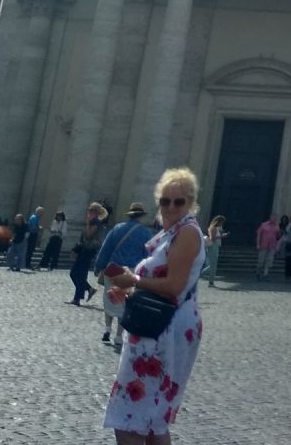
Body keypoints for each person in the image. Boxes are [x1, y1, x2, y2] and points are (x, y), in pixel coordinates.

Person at [102, 167, 206, 444]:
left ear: (191, 203)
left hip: (165, 330)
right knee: (151, 420)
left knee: (130, 419)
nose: (171, 207)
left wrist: (134, 279)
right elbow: (163, 284)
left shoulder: (187, 233)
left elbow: (173, 286)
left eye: (179, 201)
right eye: (165, 201)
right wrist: (129, 290)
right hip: (157, 324)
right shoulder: (171, 232)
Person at [94, 202, 154, 347]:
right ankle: (119, 336)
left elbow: (106, 249)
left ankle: (107, 329)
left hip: (113, 269)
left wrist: (98, 266)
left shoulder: (117, 228)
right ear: (141, 216)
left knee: (110, 298)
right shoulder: (146, 233)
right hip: (130, 272)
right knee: (125, 303)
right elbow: (148, 256)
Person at [69, 203, 107, 305]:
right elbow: (82, 239)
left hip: (89, 250)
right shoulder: (92, 222)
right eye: (88, 210)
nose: (88, 212)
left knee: (81, 274)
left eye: (90, 211)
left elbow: (89, 235)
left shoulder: (96, 222)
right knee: (73, 273)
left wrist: (87, 223)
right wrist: (75, 250)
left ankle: (77, 298)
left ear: (95, 213)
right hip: (83, 250)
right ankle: (89, 289)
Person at [255, 213, 281, 279]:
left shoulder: (277, 226)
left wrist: (277, 246)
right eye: (273, 217)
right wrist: (258, 244)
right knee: (261, 260)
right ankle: (258, 272)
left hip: (272, 246)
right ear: (270, 217)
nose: (274, 218)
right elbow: (259, 235)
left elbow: (278, 237)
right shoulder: (264, 225)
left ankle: (265, 274)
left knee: (269, 260)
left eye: (275, 218)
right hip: (263, 245)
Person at [202, 216, 226, 287]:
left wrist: (221, 234)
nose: (222, 224)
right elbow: (212, 238)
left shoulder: (217, 228)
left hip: (216, 246)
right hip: (213, 246)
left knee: (213, 265)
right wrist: (221, 236)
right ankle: (200, 274)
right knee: (212, 265)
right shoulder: (213, 228)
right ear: (218, 221)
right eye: (221, 222)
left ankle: (211, 281)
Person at [25, 207, 43, 271]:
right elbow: (33, 228)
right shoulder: (34, 218)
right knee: (30, 250)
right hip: (32, 235)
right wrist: (39, 228)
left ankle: (27, 263)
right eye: (41, 212)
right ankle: (27, 263)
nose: (42, 214)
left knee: (30, 250)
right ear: (38, 212)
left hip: (32, 235)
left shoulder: (34, 217)